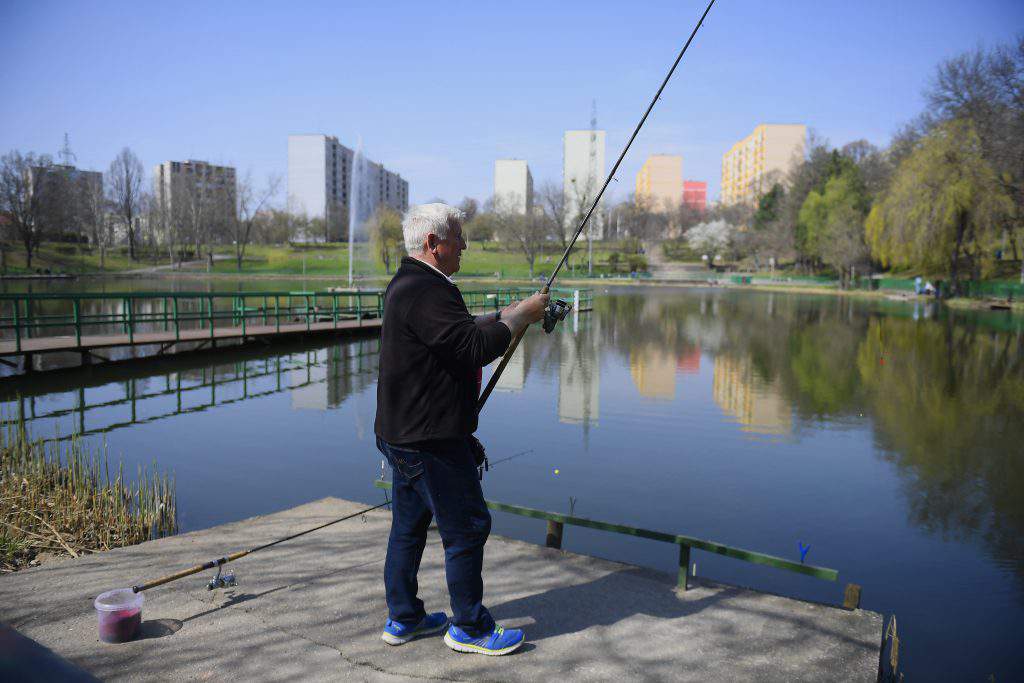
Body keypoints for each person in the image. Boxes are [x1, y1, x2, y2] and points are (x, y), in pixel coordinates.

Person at [374, 203, 549, 656]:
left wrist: (503, 314)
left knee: (409, 529)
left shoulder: (409, 284)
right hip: (429, 440)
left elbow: (451, 334)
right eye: (459, 238)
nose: (466, 246)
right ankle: (469, 627)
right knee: (468, 526)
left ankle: (404, 616)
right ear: (434, 244)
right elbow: (471, 349)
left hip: (402, 433)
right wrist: (521, 318)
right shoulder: (428, 290)